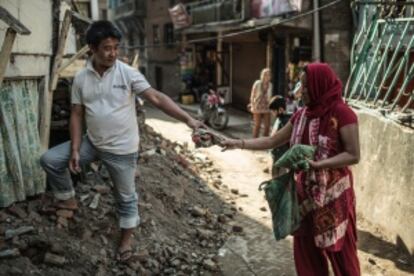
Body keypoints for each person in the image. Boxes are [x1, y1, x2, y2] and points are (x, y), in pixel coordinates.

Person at [40, 21, 203, 263]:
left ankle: (126, 243)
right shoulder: (81, 78)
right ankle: (68, 198)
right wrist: (75, 149)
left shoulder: (127, 73)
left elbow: (156, 98)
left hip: (122, 151)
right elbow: (76, 113)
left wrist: (189, 120)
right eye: (107, 48)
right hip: (92, 143)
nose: (113, 53)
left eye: (116, 47)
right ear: (92, 49)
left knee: (126, 198)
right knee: (50, 160)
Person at [221, 63, 361, 276]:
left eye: (305, 86)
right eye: (300, 85)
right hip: (303, 196)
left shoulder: (343, 113)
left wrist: (319, 164)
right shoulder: (301, 115)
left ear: (319, 85)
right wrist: (236, 143)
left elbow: (353, 154)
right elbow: (273, 140)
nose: (300, 90)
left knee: (340, 254)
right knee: (306, 253)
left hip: (334, 197)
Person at [268, 96, 291, 177]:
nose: (272, 113)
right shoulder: (280, 119)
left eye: (273, 111)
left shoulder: (285, 121)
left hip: (281, 153)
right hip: (277, 152)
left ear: (280, 109)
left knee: (278, 175)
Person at [249, 68, 272, 138]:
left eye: (268, 75)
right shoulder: (257, 83)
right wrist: (252, 104)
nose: (267, 76)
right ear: (262, 75)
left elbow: (270, 96)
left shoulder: (270, 85)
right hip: (257, 106)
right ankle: (255, 142)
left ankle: (265, 142)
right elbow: (252, 95)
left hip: (267, 107)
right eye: (265, 75)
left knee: (267, 126)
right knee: (257, 125)